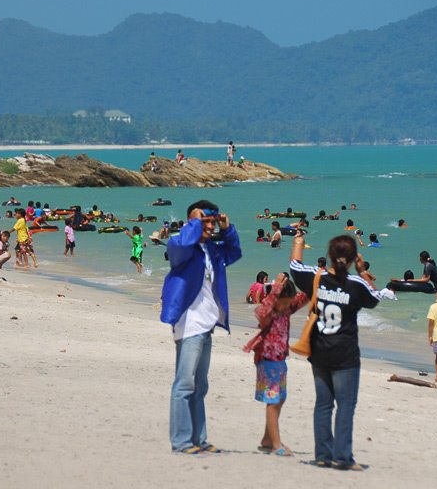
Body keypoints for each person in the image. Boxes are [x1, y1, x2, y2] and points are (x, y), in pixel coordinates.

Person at [290, 233, 380, 470]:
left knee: (323, 404)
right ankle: (342, 457)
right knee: (345, 406)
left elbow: (294, 266)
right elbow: (374, 299)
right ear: (352, 259)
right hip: (345, 353)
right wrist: (362, 271)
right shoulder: (356, 284)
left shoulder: (316, 277)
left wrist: (298, 242)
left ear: (330, 256)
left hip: (319, 350)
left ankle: (322, 454)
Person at [161, 199, 241, 454]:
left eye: (210, 220)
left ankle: (198, 439)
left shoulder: (211, 251)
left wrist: (226, 229)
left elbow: (235, 252)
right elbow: (181, 243)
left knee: (200, 386)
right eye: (201, 220)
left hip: (206, 325)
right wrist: (196, 222)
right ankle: (181, 442)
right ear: (189, 223)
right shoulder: (180, 247)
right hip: (189, 324)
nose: (207, 225)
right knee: (184, 384)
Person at [242, 272, 309, 456]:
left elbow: (306, 295)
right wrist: (276, 288)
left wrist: (318, 278)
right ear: (275, 298)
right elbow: (261, 311)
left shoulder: (286, 309)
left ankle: (267, 438)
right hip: (267, 360)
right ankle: (276, 445)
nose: (287, 306)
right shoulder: (268, 313)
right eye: (284, 302)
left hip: (279, 361)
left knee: (280, 398)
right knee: (272, 401)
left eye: (289, 303)